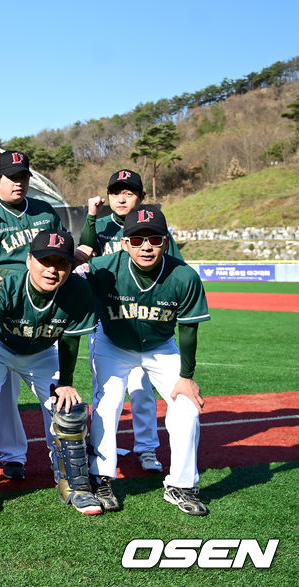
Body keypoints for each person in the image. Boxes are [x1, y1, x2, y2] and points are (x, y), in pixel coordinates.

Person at [0, 229, 100, 516]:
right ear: (28, 260)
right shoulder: (9, 284)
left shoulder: (78, 290)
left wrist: (66, 383)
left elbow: (70, 340)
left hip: (41, 351)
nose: (52, 269)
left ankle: (74, 483)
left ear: (71, 267)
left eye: (60, 263)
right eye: (44, 260)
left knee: (68, 409)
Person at [84, 205, 210, 515]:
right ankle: (100, 477)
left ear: (166, 242)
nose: (146, 246)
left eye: (154, 239)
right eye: (137, 240)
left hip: (160, 346)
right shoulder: (102, 268)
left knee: (187, 407)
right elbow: (70, 288)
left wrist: (186, 376)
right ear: (124, 243)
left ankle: (181, 485)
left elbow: (189, 331)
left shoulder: (183, 275)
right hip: (113, 343)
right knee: (108, 403)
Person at [0, 150, 65, 482]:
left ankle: (65, 462)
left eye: (23, 177)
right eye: (11, 177)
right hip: (2, 315)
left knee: (58, 398)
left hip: (41, 321)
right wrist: (25, 276)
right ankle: (12, 457)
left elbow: (62, 255)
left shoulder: (46, 213)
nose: (18, 183)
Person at [76, 169, 182, 475]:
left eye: (129, 192)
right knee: (106, 392)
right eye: (116, 192)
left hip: (145, 322)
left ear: (141, 197)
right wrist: (92, 217)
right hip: (106, 321)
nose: (122, 198)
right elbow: (84, 256)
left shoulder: (157, 231)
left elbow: (175, 269)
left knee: (141, 390)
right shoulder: (103, 227)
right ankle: (101, 452)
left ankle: (147, 448)